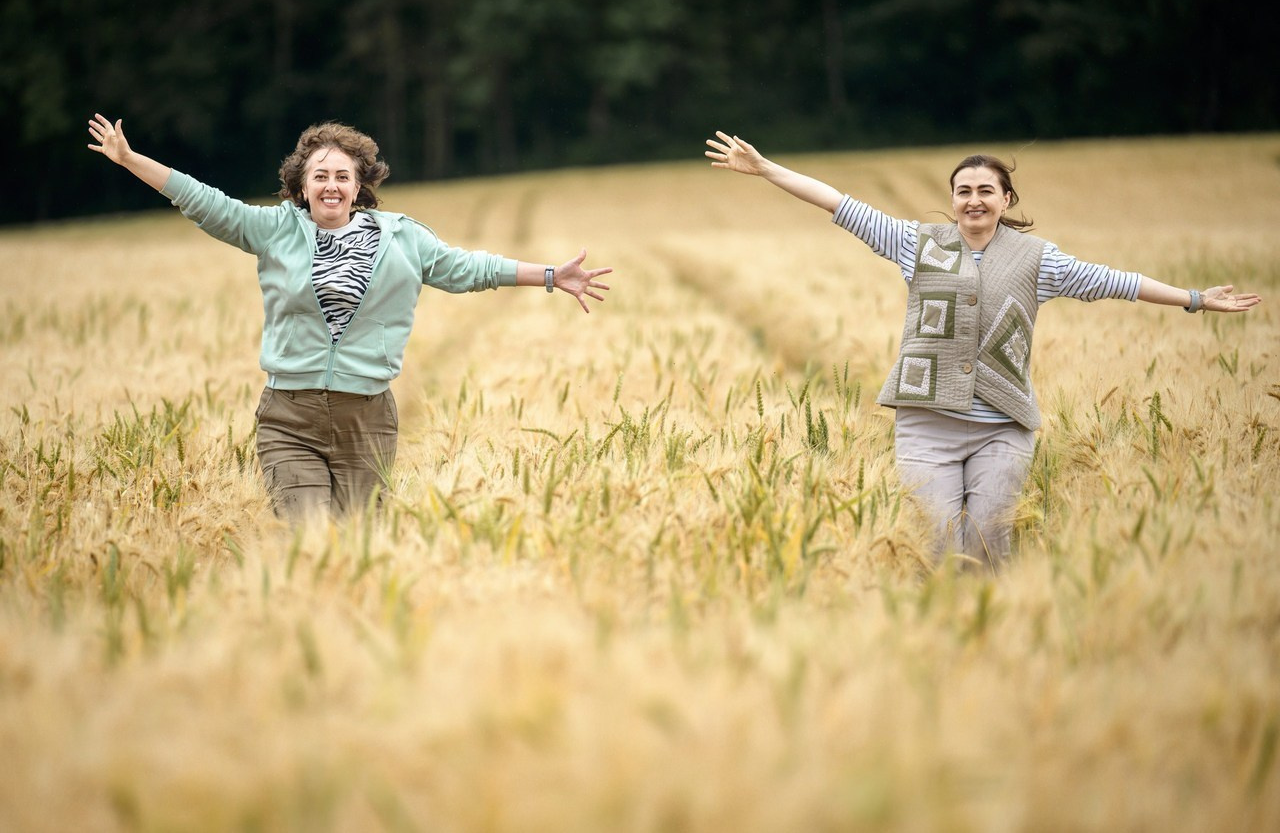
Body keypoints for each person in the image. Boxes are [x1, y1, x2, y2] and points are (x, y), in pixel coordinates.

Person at [705, 131, 1261, 570]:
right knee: (938, 548)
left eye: (985, 190)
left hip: (1002, 425)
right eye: (963, 191)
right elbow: (839, 204)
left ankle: (993, 636)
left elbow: (1117, 280)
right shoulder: (914, 244)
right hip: (926, 425)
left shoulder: (1040, 260)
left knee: (992, 545)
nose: (973, 199)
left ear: (1005, 199)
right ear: (952, 200)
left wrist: (1195, 298)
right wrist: (766, 169)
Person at [88, 113, 612, 522]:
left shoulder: (403, 237)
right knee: (311, 542)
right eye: (320, 176)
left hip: (368, 421)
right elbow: (206, 202)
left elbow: (466, 268)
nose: (332, 185)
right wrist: (132, 160)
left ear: (361, 185)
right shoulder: (274, 230)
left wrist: (549, 275)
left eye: (343, 175)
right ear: (302, 185)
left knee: (359, 549)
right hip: (289, 419)